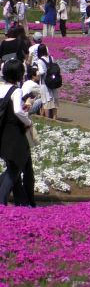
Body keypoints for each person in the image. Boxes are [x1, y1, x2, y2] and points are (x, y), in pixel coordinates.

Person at [0, 60, 35, 207]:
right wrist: (28, 122)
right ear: (20, 75)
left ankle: (23, 203)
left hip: (2, 132)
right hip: (14, 133)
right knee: (15, 167)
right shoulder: (16, 90)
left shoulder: (1, 88)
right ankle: (1, 203)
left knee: (16, 164)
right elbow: (17, 111)